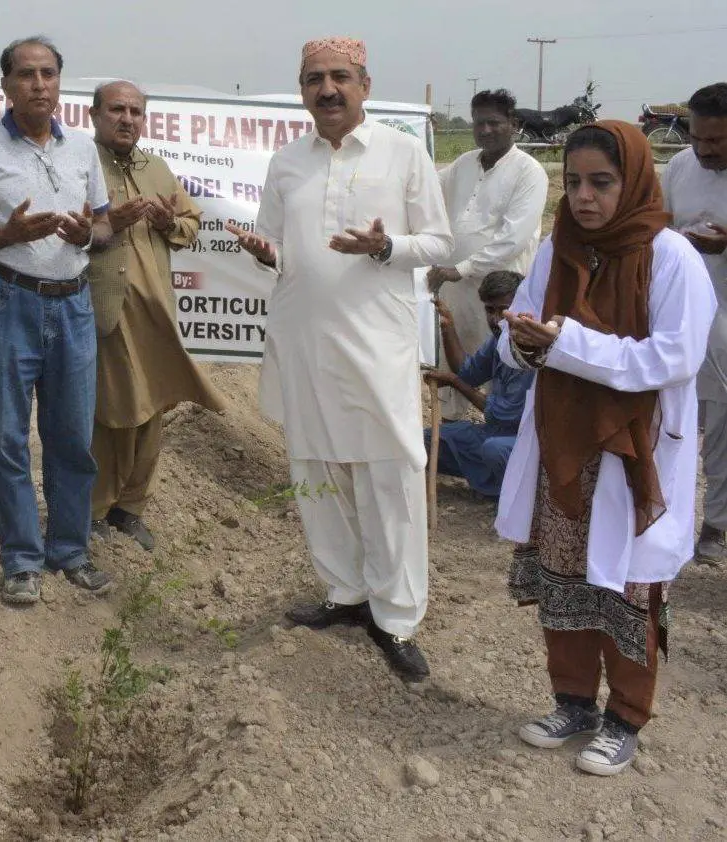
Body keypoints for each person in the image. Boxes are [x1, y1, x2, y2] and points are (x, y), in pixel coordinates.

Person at [227, 36, 453, 681]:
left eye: (339, 78)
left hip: (375, 345)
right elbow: (277, 239)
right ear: (302, 90)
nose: (327, 89)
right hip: (303, 340)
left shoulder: (402, 153)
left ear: (365, 84)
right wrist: (266, 252)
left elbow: (438, 241)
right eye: (313, 79)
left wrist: (386, 248)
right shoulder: (287, 162)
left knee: (390, 474)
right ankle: (346, 593)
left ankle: (398, 615)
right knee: (317, 472)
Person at [497, 122, 714, 776]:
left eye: (601, 182)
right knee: (562, 578)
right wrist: (524, 343)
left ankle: (623, 718)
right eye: (574, 182)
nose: (584, 197)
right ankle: (571, 703)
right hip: (564, 449)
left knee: (628, 589)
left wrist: (564, 344)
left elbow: (673, 357)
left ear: (635, 180)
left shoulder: (669, 255)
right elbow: (520, 331)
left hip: (632, 451)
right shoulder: (554, 247)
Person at [0, 36, 114, 604]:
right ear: (6, 85)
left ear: (61, 82)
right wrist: (6, 234)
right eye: (26, 74)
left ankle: (70, 550)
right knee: (8, 436)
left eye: (48, 74)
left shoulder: (84, 149)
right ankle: (20, 561)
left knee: (71, 435)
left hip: (73, 302)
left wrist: (89, 233)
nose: (39, 84)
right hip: (5, 300)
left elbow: (106, 229)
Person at [86, 81, 226, 551]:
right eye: (116, 110)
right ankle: (96, 509)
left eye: (135, 112)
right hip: (106, 311)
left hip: (157, 312)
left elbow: (189, 223)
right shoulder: (80, 165)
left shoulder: (157, 168)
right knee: (115, 409)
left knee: (154, 408)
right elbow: (66, 228)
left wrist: (167, 222)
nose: (127, 119)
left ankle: (131, 508)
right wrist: (110, 223)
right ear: (94, 116)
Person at [428, 89, 548, 420]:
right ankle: (450, 441)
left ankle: (496, 444)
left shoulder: (529, 172)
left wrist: (461, 268)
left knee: (501, 365)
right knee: (452, 359)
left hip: (500, 296)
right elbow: (426, 189)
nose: (485, 131)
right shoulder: (464, 164)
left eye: (494, 123)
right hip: (456, 289)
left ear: (514, 123)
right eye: (479, 123)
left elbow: (513, 238)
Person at [660, 82, 727, 565]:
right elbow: (660, 223)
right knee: (676, 420)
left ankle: (716, 525)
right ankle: (667, 515)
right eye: (698, 138)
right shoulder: (681, 166)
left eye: (717, 142)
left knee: (721, 427)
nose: (704, 149)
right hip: (684, 318)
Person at [423, 270, 533, 498]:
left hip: (526, 441)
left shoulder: (532, 351)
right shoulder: (499, 339)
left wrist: (455, 383)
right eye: (489, 310)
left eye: (503, 310)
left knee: (494, 450)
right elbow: (468, 372)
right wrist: (447, 325)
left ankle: (522, 501)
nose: (495, 318)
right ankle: (496, 483)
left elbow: (503, 415)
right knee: (425, 441)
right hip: (494, 433)